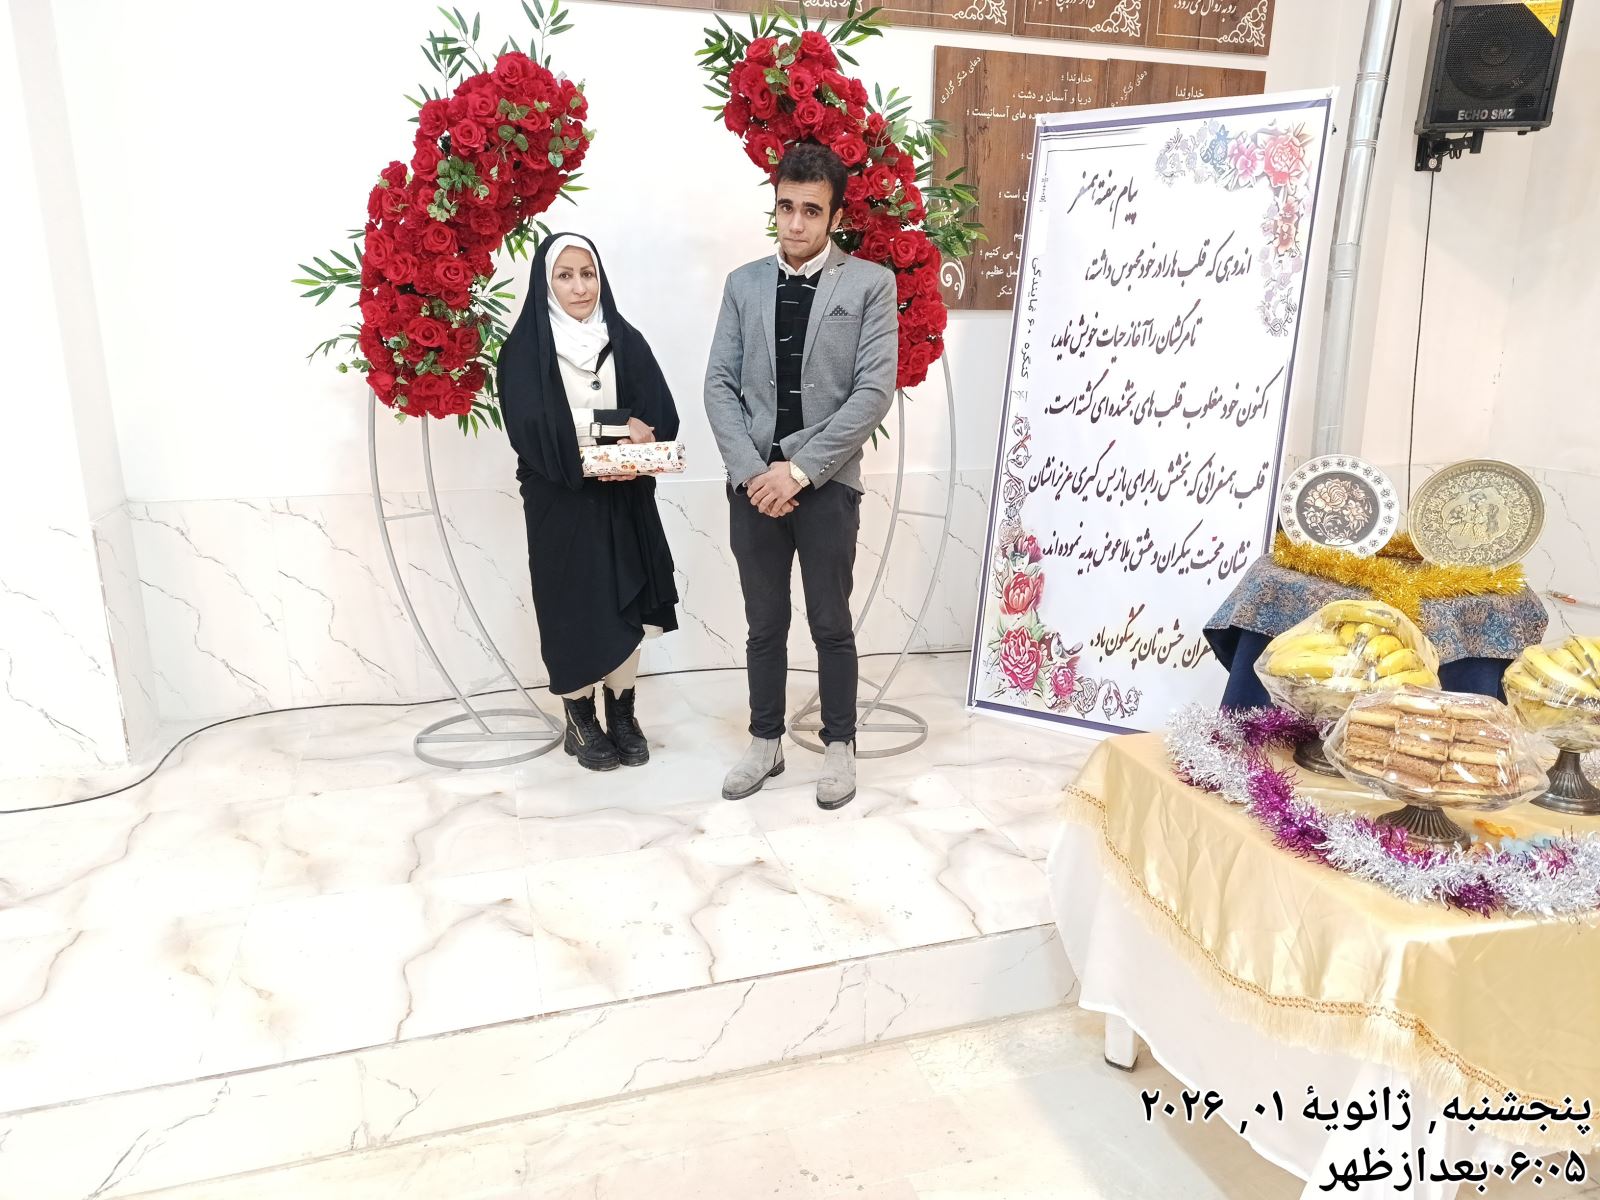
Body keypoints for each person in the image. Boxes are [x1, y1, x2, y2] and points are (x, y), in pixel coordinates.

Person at [703, 143, 898, 810]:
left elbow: (872, 392)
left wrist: (802, 470)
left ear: (836, 216)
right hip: (753, 486)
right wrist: (754, 472)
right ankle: (765, 741)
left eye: (811, 211)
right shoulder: (744, 284)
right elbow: (719, 384)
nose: (794, 223)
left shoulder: (870, 284)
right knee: (763, 624)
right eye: (785, 207)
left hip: (827, 485)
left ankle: (840, 745)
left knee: (830, 622)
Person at [498, 233, 681, 772]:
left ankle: (622, 714)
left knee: (629, 600)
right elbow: (535, 427)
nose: (580, 287)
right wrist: (614, 424)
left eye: (588, 274)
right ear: (546, 284)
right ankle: (579, 718)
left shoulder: (625, 339)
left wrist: (634, 441)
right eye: (565, 276)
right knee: (572, 605)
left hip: (624, 495)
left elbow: (661, 415)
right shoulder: (525, 350)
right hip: (561, 501)